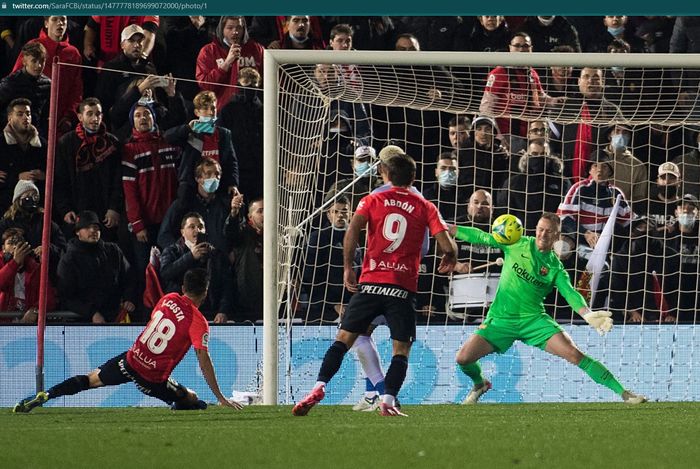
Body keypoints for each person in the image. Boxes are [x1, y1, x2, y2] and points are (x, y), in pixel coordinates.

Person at [292, 154, 457, 417]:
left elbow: (352, 231)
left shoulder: (372, 200)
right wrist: (451, 256)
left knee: (344, 340)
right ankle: (387, 400)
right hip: (401, 289)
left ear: (384, 175)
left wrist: (348, 267)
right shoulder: (426, 206)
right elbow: (447, 245)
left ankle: (319, 385)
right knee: (400, 350)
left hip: (370, 284)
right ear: (413, 178)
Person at [451, 212, 647, 405]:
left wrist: (587, 313)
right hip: (501, 319)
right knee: (463, 358)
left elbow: (570, 293)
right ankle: (480, 384)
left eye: (548, 231)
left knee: (574, 354)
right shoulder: (516, 243)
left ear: (556, 236)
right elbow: (481, 237)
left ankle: (624, 393)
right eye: (540, 229)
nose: (543, 234)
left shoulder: (555, 267)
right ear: (535, 229)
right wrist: (448, 228)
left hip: (534, 321)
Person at [13, 268, 242, 413]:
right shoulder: (198, 321)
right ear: (205, 292)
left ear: (183, 287)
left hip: (131, 361)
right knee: (192, 399)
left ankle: (48, 394)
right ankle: (181, 403)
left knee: (90, 379)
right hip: (153, 379)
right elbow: (203, 359)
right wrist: (220, 397)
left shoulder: (168, 298)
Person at [54, 97, 122, 242]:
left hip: (105, 213)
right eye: (89, 114)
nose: (94, 118)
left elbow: (118, 180)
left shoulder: (112, 143)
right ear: (80, 117)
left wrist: (114, 208)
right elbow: (60, 180)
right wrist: (65, 209)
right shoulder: (66, 143)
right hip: (77, 210)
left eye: (98, 114)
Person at [57, 210, 135, 323]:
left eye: (96, 227)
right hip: (82, 321)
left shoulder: (113, 251)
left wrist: (129, 298)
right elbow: (66, 296)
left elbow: (129, 277)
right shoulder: (69, 259)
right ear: (77, 232)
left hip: (115, 316)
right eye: (87, 227)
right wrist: (92, 313)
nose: (93, 230)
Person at [11, 16, 82, 137]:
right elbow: (15, 78)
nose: (60, 23)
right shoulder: (33, 45)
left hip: (59, 121)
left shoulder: (73, 53)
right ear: (46, 23)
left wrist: (69, 116)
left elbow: (76, 89)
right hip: (30, 116)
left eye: (63, 20)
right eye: (55, 19)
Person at [160, 213, 233, 323]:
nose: (197, 230)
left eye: (200, 227)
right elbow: (165, 273)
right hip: (179, 313)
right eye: (191, 227)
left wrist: (223, 310)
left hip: (210, 314)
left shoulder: (216, 254)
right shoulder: (172, 251)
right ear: (182, 232)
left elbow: (227, 284)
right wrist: (190, 257)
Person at [196, 16, 264, 111]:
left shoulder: (257, 49)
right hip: (222, 111)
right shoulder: (208, 51)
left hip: (252, 111)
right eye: (230, 28)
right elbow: (205, 85)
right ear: (222, 29)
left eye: (239, 27)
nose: (235, 32)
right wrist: (226, 63)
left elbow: (266, 81)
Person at [0, 98, 46, 212]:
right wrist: (17, 177)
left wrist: (45, 176)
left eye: (28, 113)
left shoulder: (42, 144)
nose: (26, 117)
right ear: (9, 118)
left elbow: (56, 173)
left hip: (36, 206)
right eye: (20, 114)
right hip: (6, 206)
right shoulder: (1, 142)